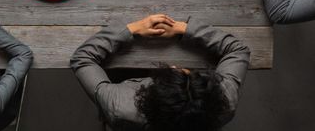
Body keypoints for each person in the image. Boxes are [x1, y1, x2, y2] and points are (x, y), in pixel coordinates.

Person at [70, 14, 250, 130]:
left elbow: (82, 58)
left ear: (150, 98)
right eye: (189, 74)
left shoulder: (119, 105)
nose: (175, 67)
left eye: (173, 74)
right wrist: (184, 29)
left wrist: (130, 30)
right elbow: (238, 50)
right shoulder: (225, 101)